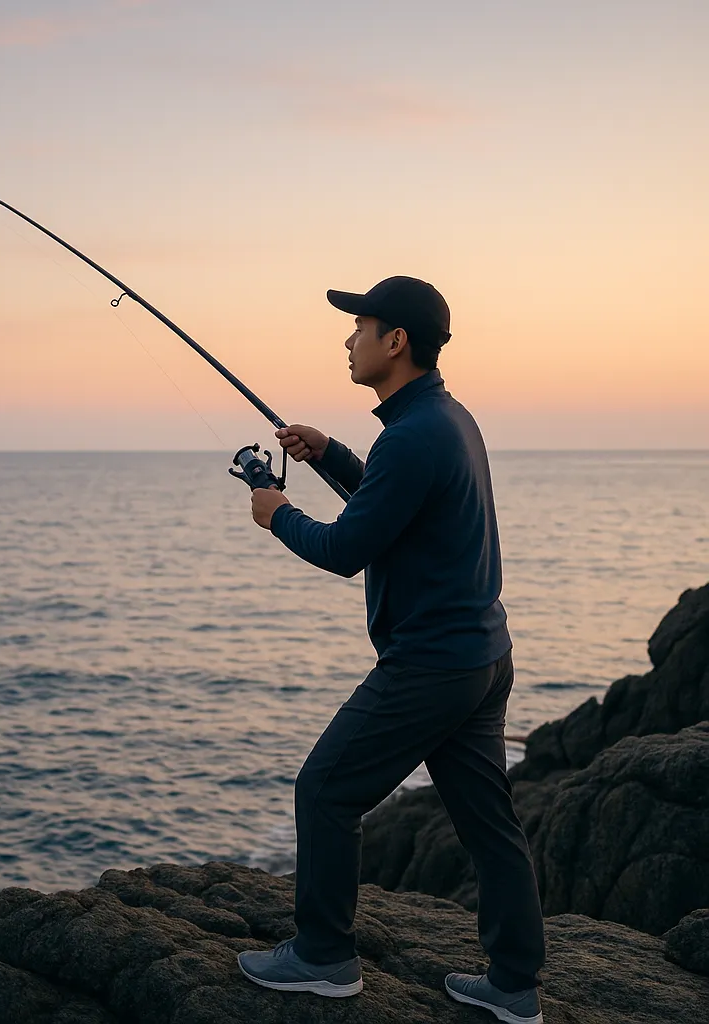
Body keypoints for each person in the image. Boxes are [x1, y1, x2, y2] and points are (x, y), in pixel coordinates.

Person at [235, 276, 546, 1024]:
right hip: (481, 657)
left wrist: (277, 513)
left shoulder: (413, 435)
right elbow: (391, 502)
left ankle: (324, 958)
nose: (349, 339)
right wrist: (330, 453)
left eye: (361, 327)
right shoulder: (444, 419)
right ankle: (515, 986)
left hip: (432, 664)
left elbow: (348, 548)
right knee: (488, 827)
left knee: (325, 790)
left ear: (395, 341)